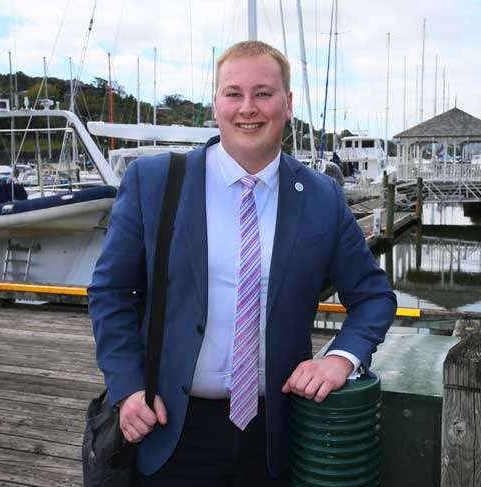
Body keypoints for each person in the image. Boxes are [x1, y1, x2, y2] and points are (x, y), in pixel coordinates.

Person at [88, 40, 396, 486]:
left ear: (287, 104)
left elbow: (373, 297)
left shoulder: (322, 198)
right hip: (168, 424)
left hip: (273, 434)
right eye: (233, 93)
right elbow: (111, 292)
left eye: (263, 93)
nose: (247, 108)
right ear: (216, 103)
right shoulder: (155, 182)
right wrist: (128, 388)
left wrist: (341, 359)